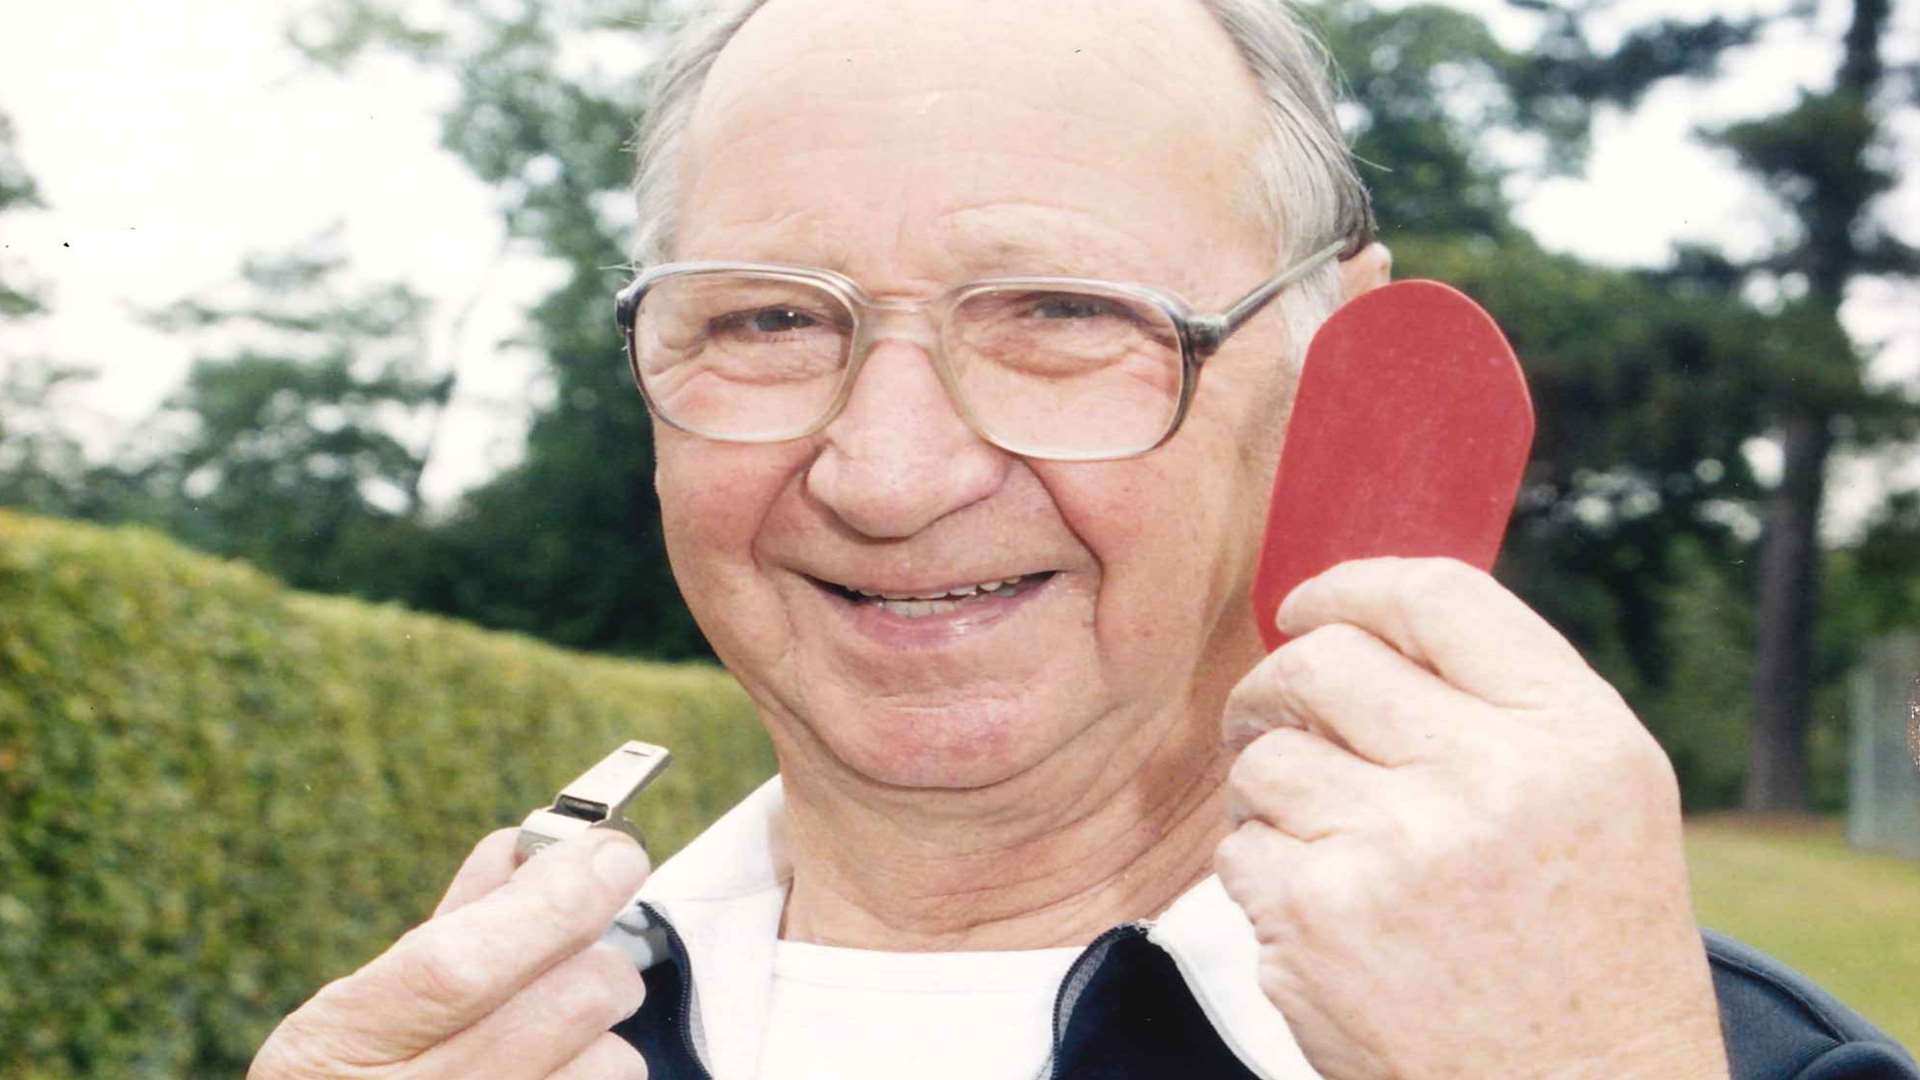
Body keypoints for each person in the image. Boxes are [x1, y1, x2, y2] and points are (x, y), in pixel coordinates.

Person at [248, 1, 1920, 1078]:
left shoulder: (1705, 1062)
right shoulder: (477, 1043)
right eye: (765, 320)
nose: (886, 474)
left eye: (1062, 312)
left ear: (1331, 358)